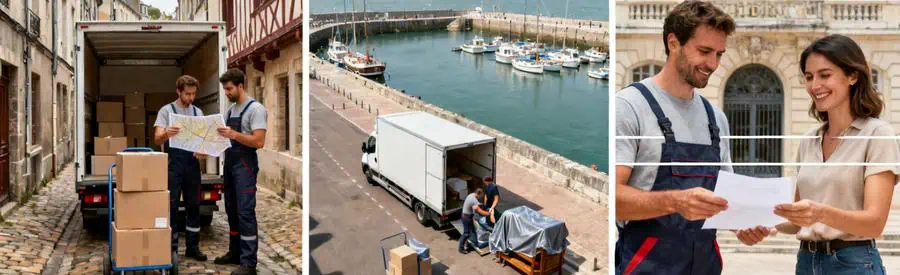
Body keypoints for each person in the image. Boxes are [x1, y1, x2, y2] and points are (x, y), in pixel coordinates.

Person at [614, 2, 773, 274]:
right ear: (673, 42)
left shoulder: (717, 119)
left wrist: (741, 224)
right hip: (647, 264)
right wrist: (675, 202)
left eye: (720, 54)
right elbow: (614, 198)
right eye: (704, 51)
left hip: (705, 264)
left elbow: (724, 196)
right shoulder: (628, 107)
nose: (712, 64)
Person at [772, 34, 896, 275]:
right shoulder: (809, 140)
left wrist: (820, 213)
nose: (814, 85)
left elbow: (875, 223)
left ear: (852, 76)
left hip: (854, 263)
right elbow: (798, 219)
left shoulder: (878, 135)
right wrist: (763, 221)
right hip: (806, 261)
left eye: (825, 75)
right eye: (809, 77)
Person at [213, 69, 268, 275]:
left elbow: (259, 141)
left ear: (240, 86)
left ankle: (249, 263)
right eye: (225, 89)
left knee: (245, 212)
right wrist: (205, 150)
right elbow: (223, 139)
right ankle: (234, 253)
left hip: (245, 166)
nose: (226, 93)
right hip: (230, 165)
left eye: (229, 89)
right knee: (231, 210)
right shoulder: (230, 111)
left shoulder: (256, 110)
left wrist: (234, 134)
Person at [152, 75, 208, 263]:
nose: (191, 98)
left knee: (194, 205)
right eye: (187, 94)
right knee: (171, 206)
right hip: (172, 166)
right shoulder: (166, 111)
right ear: (178, 91)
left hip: (192, 166)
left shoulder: (198, 112)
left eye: (193, 94)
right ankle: (171, 248)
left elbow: (204, 140)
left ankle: (193, 247)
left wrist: (203, 150)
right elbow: (157, 138)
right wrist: (167, 132)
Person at [459, 188, 490, 254]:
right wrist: (489, 213)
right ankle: (461, 248)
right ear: (479, 194)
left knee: (473, 231)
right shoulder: (474, 200)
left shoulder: (471, 195)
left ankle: (473, 243)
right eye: (482, 195)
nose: (482, 197)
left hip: (466, 216)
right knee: (466, 233)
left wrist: (480, 204)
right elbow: (480, 211)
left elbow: (477, 204)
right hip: (466, 218)